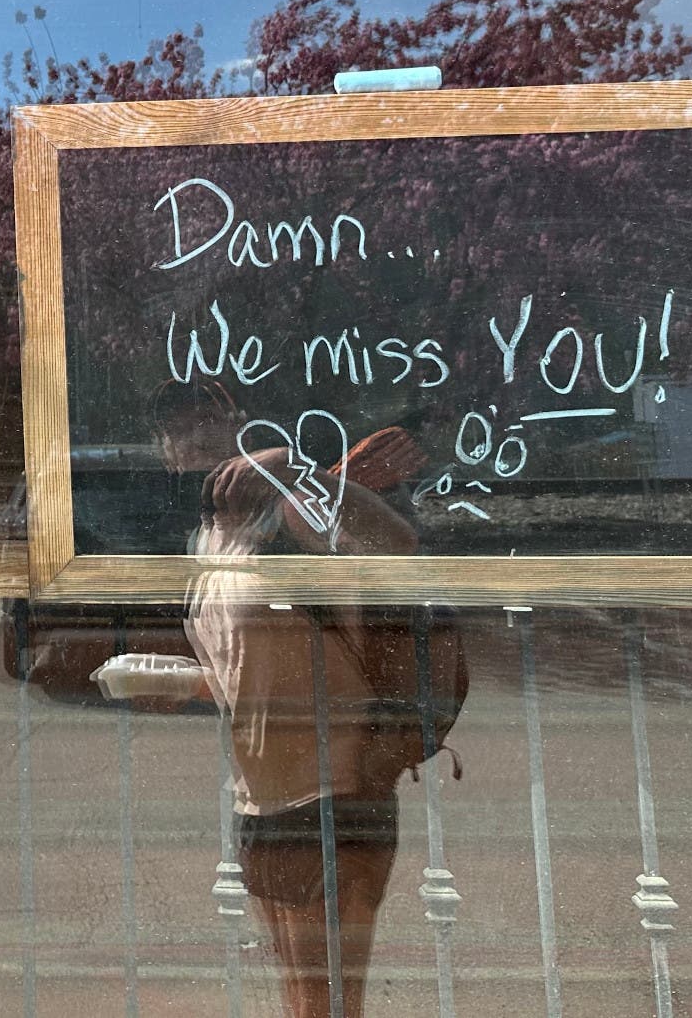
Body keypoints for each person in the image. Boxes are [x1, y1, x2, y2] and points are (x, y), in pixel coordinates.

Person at [144, 379, 468, 1018]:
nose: (194, 435)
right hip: (260, 798)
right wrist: (180, 685)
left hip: (338, 792)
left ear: (238, 421)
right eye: (177, 427)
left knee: (329, 1004)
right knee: (302, 1003)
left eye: (207, 417)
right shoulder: (207, 540)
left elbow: (397, 543)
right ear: (164, 451)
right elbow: (248, 669)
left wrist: (294, 468)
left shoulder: (290, 511)